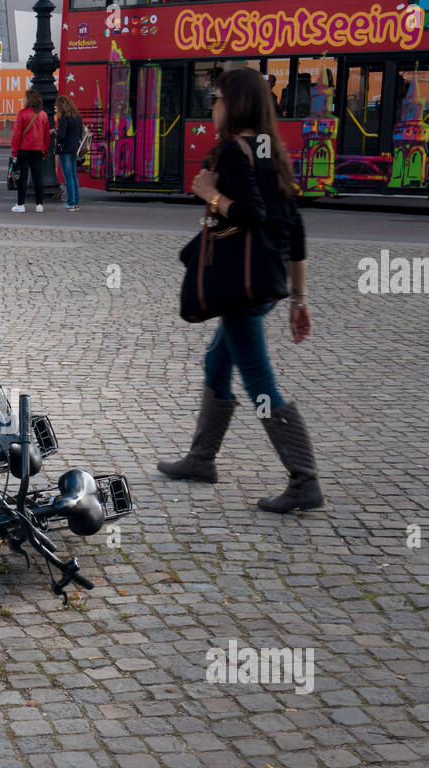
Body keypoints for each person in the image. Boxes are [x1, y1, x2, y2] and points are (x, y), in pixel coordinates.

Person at [158, 67, 322, 513]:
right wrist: (298, 298)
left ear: (236, 104)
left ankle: (304, 479)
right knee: (217, 360)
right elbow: (296, 230)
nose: (213, 105)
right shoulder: (272, 151)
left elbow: (249, 214)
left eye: (217, 97)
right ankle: (200, 460)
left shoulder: (233, 150)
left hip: (242, 288)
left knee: (260, 382)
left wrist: (209, 193)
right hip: (265, 285)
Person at [9, 89, 49, 213]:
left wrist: (14, 152)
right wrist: (45, 150)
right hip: (38, 150)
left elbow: (16, 135)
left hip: (24, 150)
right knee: (38, 178)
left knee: (23, 178)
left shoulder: (22, 113)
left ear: (28, 100)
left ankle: (21, 204)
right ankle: (39, 205)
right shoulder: (43, 114)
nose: (23, 100)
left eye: (25, 98)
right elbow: (46, 135)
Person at [54, 94, 83, 211]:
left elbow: (62, 136)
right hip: (74, 149)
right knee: (74, 175)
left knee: (68, 176)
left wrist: (55, 133)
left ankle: (71, 203)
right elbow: (79, 134)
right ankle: (75, 202)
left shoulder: (64, 118)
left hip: (65, 150)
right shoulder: (77, 117)